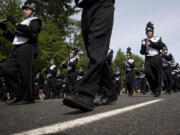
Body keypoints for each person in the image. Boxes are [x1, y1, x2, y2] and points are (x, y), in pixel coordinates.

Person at [63, 0, 116, 111]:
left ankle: (86, 94)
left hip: (102, 4)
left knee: (97, 48)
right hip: (86, 7)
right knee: (94, 53)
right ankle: (110, 92)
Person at [0, 0, 41, 105]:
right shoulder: (23, 23)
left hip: (27, 47)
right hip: (17, 48)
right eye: (23, 9)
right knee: (6, 68)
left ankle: (27, 97)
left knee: (25, 73)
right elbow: (14, 38)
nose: (24, 11)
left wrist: (14, 22)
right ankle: (18, 94)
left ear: (34, 11)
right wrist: (4, 28)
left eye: (26, 9)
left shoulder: (35, 20)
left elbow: (32, 30)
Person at [140, 22, 166, 97]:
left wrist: (151, 43)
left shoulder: (157, 38)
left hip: (156, 57)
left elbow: (161, 46)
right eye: (147, 32)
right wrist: (145, 46)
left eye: (150, 31)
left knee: (158, 74)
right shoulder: (144, 41)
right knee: (147, 73)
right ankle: (153, 89)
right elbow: (141, 52)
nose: (149, 33)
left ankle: (158, 91)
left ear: (152, 31)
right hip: (148, 58)